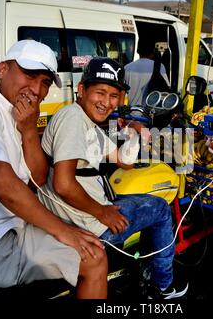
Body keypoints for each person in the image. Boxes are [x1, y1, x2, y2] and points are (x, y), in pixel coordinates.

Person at [0, 40, 108, 298]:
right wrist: (64, 232)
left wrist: (29, 129)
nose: (37, 90)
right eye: (29, 75)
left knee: (88, 239)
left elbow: (37, 179)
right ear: (3, 70)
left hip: (15, 226)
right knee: (94, 257)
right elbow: (5, 187)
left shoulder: (16, 113)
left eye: (45, 83)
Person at [37, 57, 188, 299]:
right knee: (159, 208)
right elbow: (63, 184)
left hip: (80, 213)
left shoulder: (88, 124)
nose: (107, 102)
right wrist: (102, 212)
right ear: (82, 90)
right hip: (88, 221)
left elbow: (124, 162)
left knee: (134, 197)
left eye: (114, 96)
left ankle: (143, 264)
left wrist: (134, 133)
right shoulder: (73, 118)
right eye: (101, 93)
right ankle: (163, 285)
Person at [124, 38, 170, 107]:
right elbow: (165, 90)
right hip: (150, 114)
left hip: (131, 113)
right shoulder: (159, 67)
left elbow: (122, 92)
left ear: (137, 51)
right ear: (153, 51)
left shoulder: (127, 68)